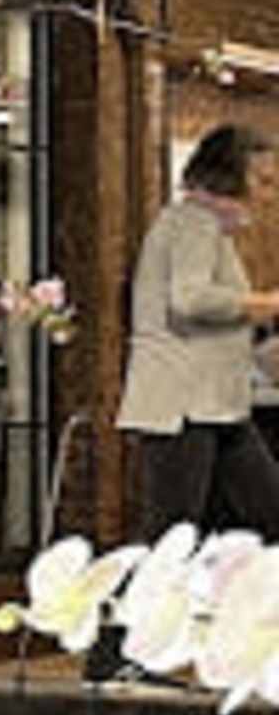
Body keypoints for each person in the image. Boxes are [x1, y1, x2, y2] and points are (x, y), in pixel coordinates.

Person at [120, 124, 279, 539]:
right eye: (262, 181)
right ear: (230, 174)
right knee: (171, 536)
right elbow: (190, 300)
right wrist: (267, 303)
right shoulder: (194, 223)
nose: (267, 195)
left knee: (270, 510)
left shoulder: (209, 229)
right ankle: (146, 605)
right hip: (183, 406)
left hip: (218, 405)